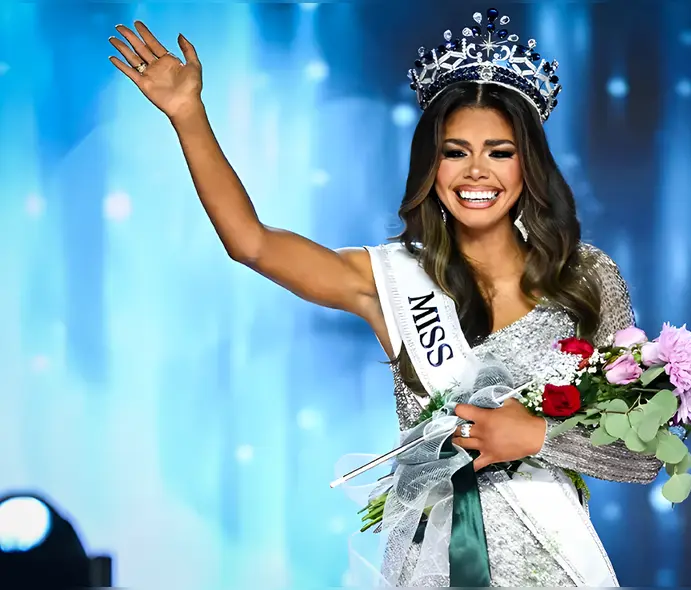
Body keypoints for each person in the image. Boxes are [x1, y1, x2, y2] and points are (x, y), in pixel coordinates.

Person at [108, 10, 662, 587]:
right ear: (431, 166)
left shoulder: (586, 280)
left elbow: (646, 453)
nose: (477, 171)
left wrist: (537, 436)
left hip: (556, 562)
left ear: (529, 164)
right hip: (432, 564)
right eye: (455, 152)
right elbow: (251, 243)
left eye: (499, 152)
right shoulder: (392, 279)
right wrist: (189, 115)